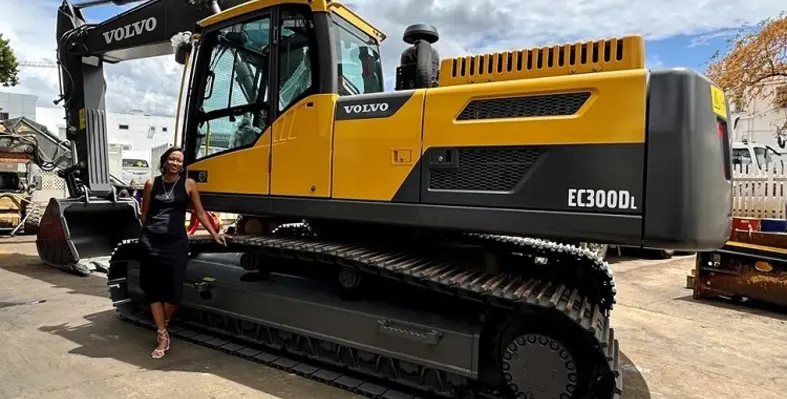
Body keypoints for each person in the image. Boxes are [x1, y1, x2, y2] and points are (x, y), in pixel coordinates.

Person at [139, 146, 227, 359]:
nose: (175, 163)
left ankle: (163, 324)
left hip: (176, 243)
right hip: (151, 242)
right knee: (154, 290)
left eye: (179, 161)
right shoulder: (152, 184)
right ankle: (162, 335)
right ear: (165, 161)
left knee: (174, 294)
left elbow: (199, 212)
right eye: (172, 159)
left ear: (182, 165)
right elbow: (145, 214)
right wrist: (149, 235)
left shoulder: (189, 184)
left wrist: (215, 233)